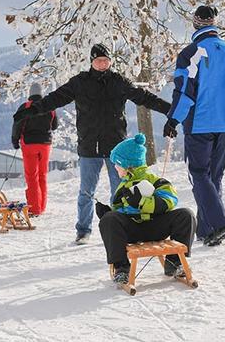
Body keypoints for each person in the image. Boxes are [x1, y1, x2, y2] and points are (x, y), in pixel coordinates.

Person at [13, 43, 171, 244]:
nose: (103, 64)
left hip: (116, 151)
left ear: (110, 62)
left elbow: (144, 98)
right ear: (92, 62)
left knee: (121, 190)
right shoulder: (80, 83)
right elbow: (55, 99)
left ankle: (123, 228)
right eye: (99, 60)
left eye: (106, 60)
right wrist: (31, 110)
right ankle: (83, 230)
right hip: (89, 147)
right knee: (86, 191)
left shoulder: (119, 82)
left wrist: (169, 110)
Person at [163, 5, 225, 246]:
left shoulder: (192, 52)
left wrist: (173, 119)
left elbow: (185, 91)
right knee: (213, 176)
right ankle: (207, 232)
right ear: (215, 23)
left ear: (195, 24)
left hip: (200, 123)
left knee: (198, 174)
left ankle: (219, 223)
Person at [95, 133, 196, 284]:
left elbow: (169, 200)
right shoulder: (122, 186)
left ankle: (174, 263)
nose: (115, 168)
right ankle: (121, 268)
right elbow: (120, 211)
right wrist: (109, 213)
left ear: (128, 166)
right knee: (109, 220)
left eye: (118, 165)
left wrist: (142, 202)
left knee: (186, 215)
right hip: (133, 229)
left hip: (156, 225)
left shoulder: (155, 181)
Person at [11, 82, 57, 217]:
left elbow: (17, 125)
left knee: (32, 177)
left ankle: (34, 209)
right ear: (41, 93)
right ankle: (42, 207)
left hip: (29, 144)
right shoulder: (50, 107)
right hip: (45, 144)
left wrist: (15, 140)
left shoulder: (25, 107)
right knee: (42, 175)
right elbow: (54, 126)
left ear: (29, 94)